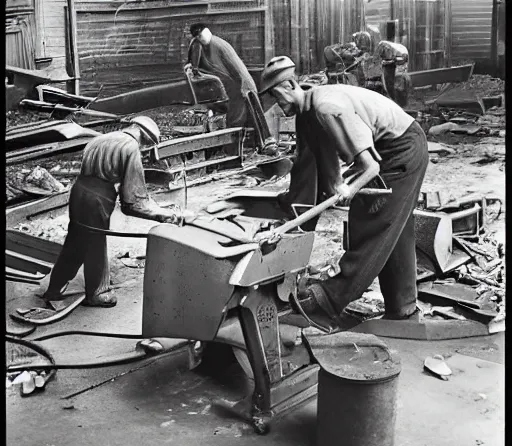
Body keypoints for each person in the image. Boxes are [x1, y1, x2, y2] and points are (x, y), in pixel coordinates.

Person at [259, 56, 429, 330]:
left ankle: (326, 303)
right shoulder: (306, 117)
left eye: (276, 96)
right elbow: (312, 175)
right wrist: (293, 234)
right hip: (389, 148)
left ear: (290, 84)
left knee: (373, 222)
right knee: (395, 227)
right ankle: (403, 309)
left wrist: (349, 189)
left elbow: (371, 167)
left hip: (402, 148)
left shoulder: (326, 108)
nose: (275, 105)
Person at [43, 116, 182, 308]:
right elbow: (134, 199)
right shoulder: (131, 147)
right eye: (146, 144)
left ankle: (54, 288)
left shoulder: (101, 139)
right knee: (95, 243)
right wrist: (164, 214)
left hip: (79, 191)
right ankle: (98, 293)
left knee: (76, 240)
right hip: (98, 198)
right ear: (143, 136)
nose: (144, 148)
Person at [185, 22, 278, 156]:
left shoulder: (218, 45)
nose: (200, 39)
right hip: (231, 85)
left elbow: (237, 68)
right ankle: (241, 150)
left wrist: (243, 87)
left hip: (240, 85)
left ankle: (235, 153)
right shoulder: (201, 45)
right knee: (237, 118)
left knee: (237, 119)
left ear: (206, 32)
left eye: (201, 35)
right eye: (197, 37)